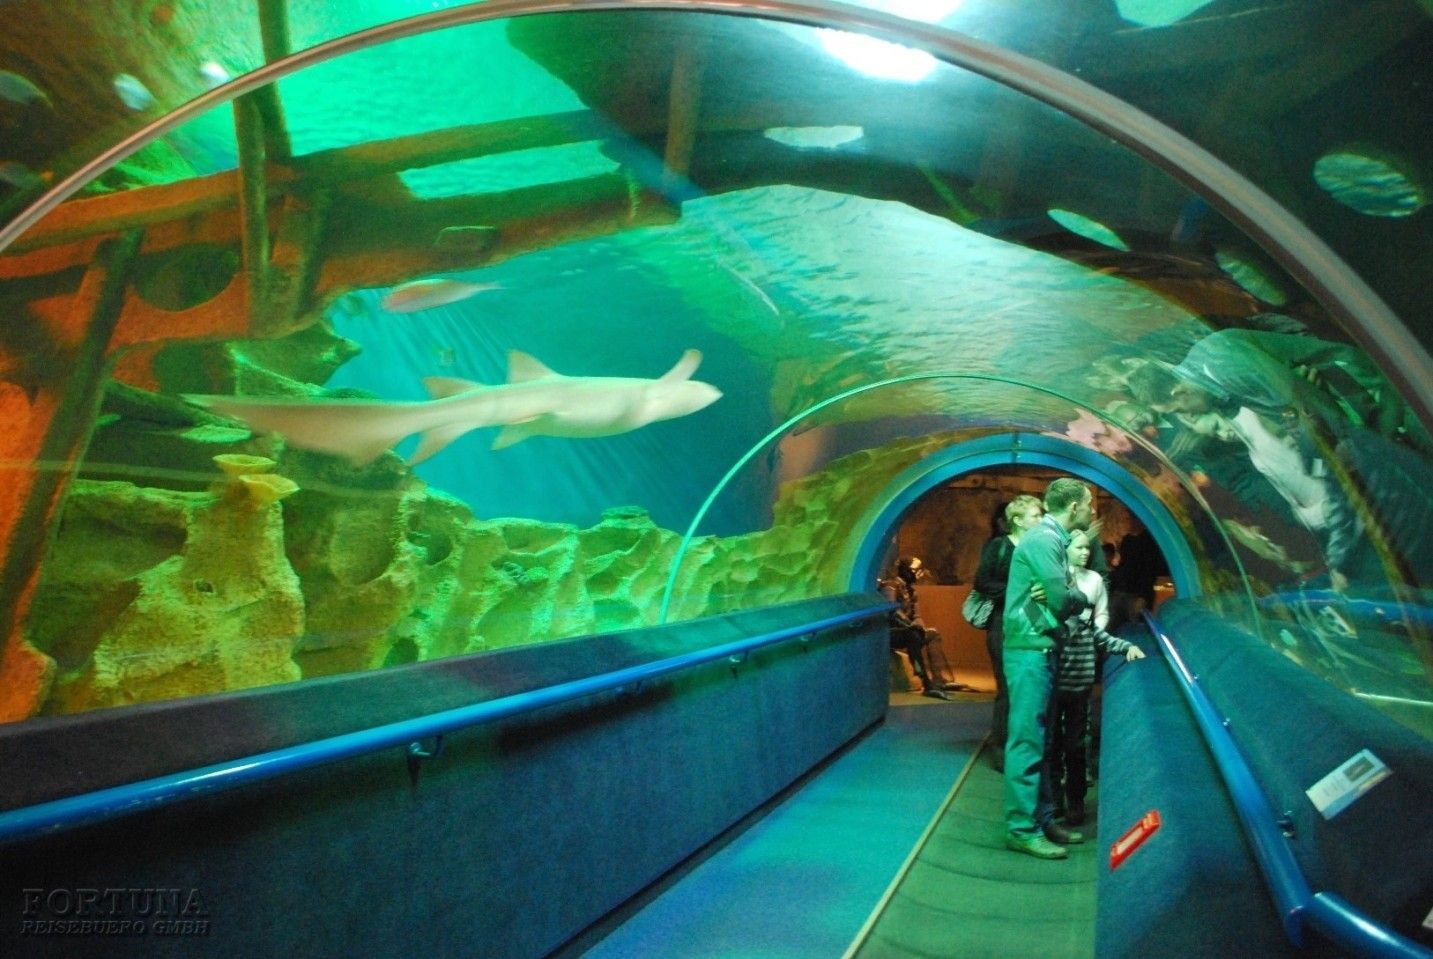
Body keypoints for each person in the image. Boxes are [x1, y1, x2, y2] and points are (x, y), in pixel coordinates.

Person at [1002, 478, 1096, 860]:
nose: (1092, 511)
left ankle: (1042, 820)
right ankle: (1021, 829)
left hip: (1042, 648)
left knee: (1043, 741)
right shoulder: (1044, 540)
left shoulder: (1053, 539)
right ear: (1074, 507)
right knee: (1027, 740)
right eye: (1089, 504)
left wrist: (1061, 591)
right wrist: (1076, 594)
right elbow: (1061, 599)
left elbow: (1055, 594)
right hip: (1030, 651)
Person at [1047, 529, 1146, 827]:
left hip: (1079, 687)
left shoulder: (1090, 599)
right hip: (1053, 686)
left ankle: (1075, 800)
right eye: (1078, 547)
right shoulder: (1050, 586)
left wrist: (1127, 647)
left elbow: (1102, 634)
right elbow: (1031, 619)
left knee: (1076, 746)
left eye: (1087, 548)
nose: (1085, 552)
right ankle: (1055, 800)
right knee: (1053, 745)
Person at [973, 494, 1044, 772]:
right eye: (1035, 515)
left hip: (1034, 622)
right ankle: (1001, 748)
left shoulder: (1039, 548)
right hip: (1003, 624)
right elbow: (982, 582)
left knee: (1030, 687)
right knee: (1007, 687)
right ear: (1018, 520)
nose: (1040, 519)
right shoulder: (999, 547)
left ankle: (1025, 746)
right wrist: (1018, 593)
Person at [879, 556, 953, 700]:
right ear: (906, 571)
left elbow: (916, 615)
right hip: (888, 632)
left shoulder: (911, 591)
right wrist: (910, 625)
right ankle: (926, 683)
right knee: (912, 635)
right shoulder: (890, 587)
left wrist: (920, 627)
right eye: (914, 571)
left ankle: (939, 679)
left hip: (906, 629)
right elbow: (892, 612)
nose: (917, 575)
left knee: (932, 634)